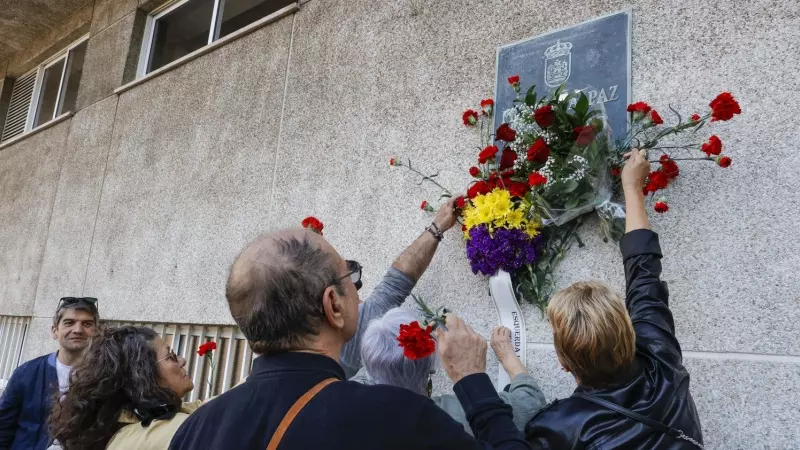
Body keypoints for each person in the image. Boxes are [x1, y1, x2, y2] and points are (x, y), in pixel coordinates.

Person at [170, 227, 532, 449]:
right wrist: (473, 381)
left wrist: (436, 227)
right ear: (333, 305)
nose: (360, 292)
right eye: (352, 278)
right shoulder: (391, 416)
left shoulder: (194, 431)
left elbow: (392, 288)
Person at [524, 149, 704, 449]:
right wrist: (632, 188)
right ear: (630, 331)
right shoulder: (660, 357)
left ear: (562, 362)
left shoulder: (556, 428)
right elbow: (643, 274)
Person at [352, 307, 547, 433]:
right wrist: (505, 359)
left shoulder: (348, 411)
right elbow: (532, 402)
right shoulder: (455, 415)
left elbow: (382, 358)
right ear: (430, 367)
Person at [49, 326, 197, 450]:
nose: (182, 361)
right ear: (143, 373)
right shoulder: (174, 430)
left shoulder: (115, 425)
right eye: (170, 355)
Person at [0, 297, 99, 450]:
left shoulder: (105, 378)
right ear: (54, 330)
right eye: (69, 322)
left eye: (87, 324)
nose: (78, 330)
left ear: (96, 331)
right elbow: (3, 427)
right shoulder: (27, 373)